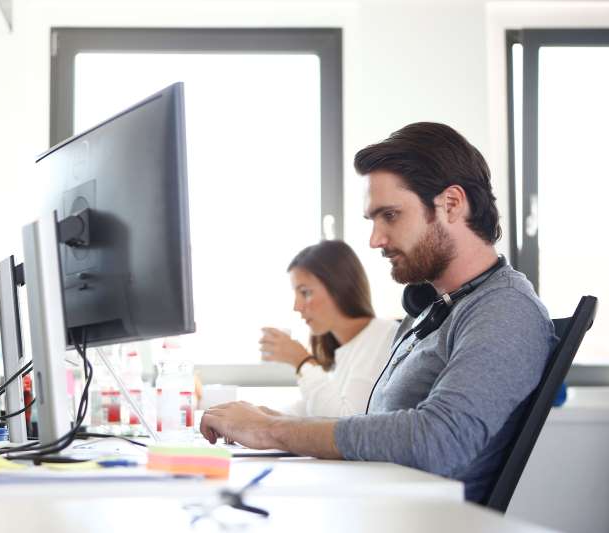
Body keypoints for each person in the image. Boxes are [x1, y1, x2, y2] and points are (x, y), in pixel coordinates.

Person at [199, 122, 556, 503]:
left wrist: (273, 431)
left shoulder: (504, 309)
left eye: (391, 216)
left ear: (452, 204)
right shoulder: (439, 309)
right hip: (376, 505)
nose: (375, 240)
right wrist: (273, 421)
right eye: (373, 220)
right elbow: (379, 429)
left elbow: (440, 440)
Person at [259, 240, 398, 417]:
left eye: (305, 292)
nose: (297, 306)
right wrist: (260, 417)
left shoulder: (383, 335)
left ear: (339, 286)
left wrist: (302, 362)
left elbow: (345, 424)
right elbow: (311, 410)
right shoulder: (339, 348)